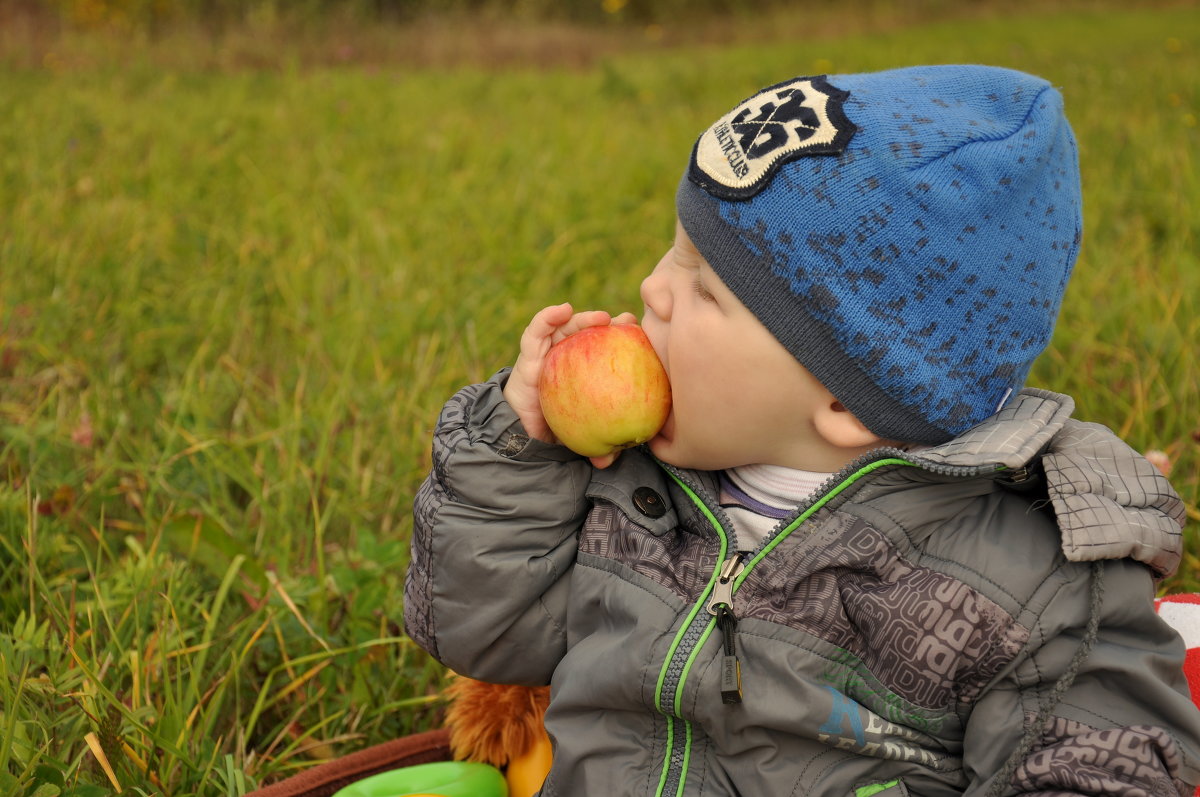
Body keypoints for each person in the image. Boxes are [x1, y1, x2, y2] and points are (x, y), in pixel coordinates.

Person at [404, 64, 1200, 796]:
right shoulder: (624, 482)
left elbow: (1107, 756)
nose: (652, 286)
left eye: (705, 289)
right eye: (673, 252)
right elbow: (477, 629)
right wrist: (520, 446)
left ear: (847, 403)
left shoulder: (1031, 582)